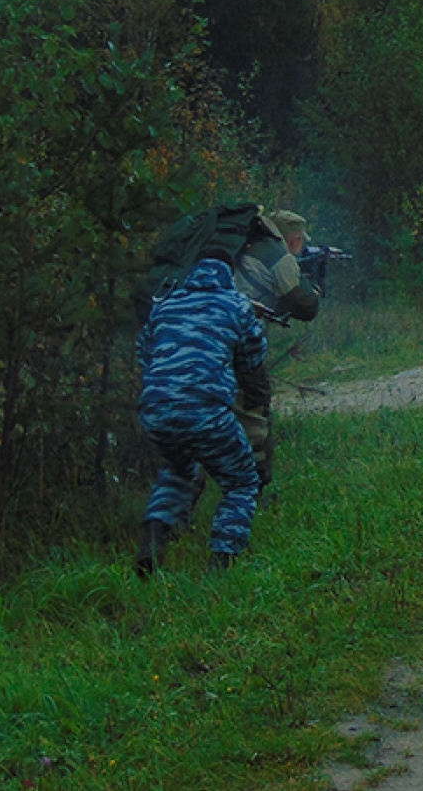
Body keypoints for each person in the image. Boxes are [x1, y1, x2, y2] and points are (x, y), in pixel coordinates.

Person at [135, 252, 271, 575]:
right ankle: (221, 563)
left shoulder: (165, 305)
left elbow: (145, 354)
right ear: (229, 274)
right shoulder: (235, 305)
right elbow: (253, 362)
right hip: (206, 410)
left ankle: (153, 541)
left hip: (155, 409)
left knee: (178, 470)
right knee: (241, 481)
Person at [227, 209, 319, 488]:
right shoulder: (275, 254)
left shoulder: (241, 247)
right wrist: (315, 286)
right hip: (240, 346)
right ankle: (255, 487)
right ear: (293, 239)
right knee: (256, 411)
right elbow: (305, 306)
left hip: (205, 341)